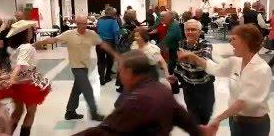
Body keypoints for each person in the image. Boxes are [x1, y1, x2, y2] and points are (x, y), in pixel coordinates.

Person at [74, 50, 216, 136]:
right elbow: (183, 118)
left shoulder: (136, 101)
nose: (119, 76)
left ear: (129, 71)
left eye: (120, 71)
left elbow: (105, 131)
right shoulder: (162, 90)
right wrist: (200, 132)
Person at [178, 24, 272, 136]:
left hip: (254, 125)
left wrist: (218, 119)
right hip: (235, 120)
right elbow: (215, 69)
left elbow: (243, 102)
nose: (231, 43)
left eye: (234, 39)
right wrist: (195, 58)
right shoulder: (235, 62)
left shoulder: (261, 69)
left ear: (246, 41)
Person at [34, 16, 117, 121]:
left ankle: (70, 112)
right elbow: (54, 39)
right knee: (87, 89)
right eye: (80, 23)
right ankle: (94, 112)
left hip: (86, 66)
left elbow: (102, 44)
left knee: (76, 90)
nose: (83, 26)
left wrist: (115, 54)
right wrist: (39, 43)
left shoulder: (91, 34)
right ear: (76, 23)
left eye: (85, 23)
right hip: (76, 67)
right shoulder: (69, 34)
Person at [0, 20, 51, 136]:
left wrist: (11, 78)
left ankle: (7, 133)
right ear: (25, 33)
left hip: (18, 84)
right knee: (31, 112)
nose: (32, 32)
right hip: (27, 84)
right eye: (30, 30)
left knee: (17, 111)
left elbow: (16, 65)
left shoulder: (15, 47)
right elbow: (20, 65)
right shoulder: (26, 47)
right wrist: (12, 79)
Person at [173, 19, 215, 125]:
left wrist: (190, 56)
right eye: (188, 29)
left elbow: (205, 62)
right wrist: (175, 76)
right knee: (192, 114)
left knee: (206, 114)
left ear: (200, 32)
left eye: (193, 30)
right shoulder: (180, 44)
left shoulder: (206, 45)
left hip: (205, 86)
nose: (190, 32)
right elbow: (179, 64)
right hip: (188, 86)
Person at [96, 7, 120, 85]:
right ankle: (107, 77)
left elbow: (97, 30)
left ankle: (101, 78)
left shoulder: (99, 20)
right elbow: (116, 32)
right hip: (110, 42)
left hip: (99, 43)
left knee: (101, 61)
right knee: (110, 60)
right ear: (111, 13)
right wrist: (117, 43)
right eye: (113, 13)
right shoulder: (113, 21)